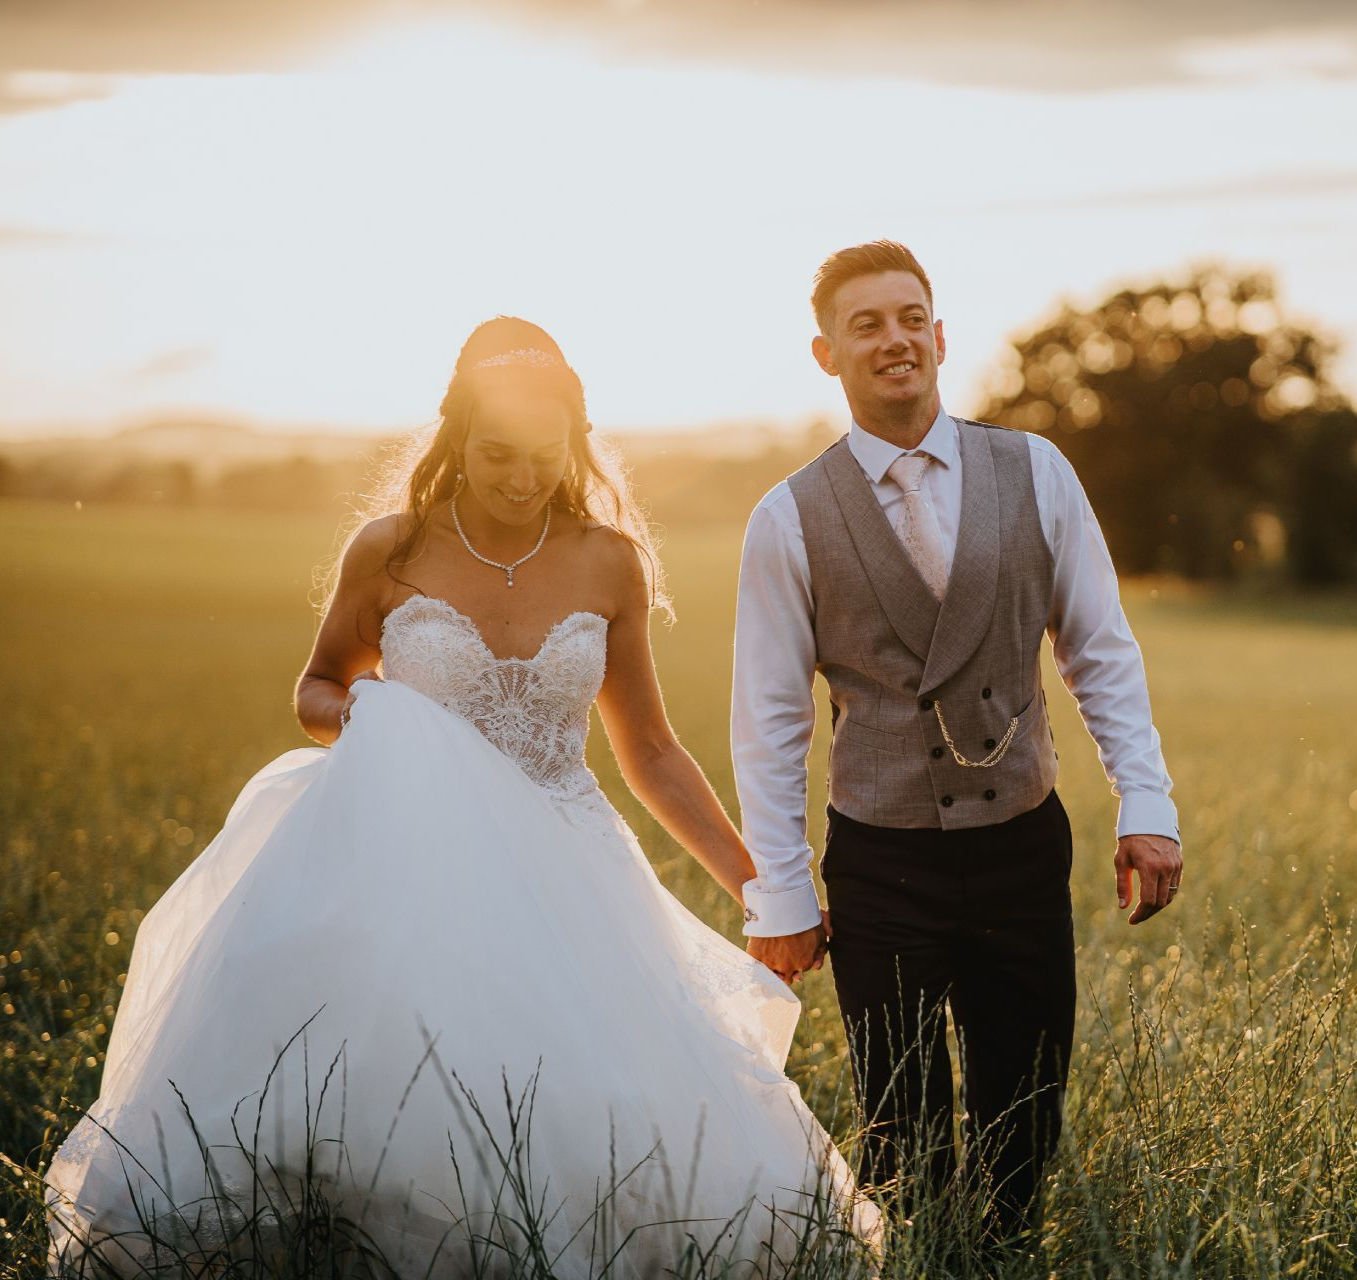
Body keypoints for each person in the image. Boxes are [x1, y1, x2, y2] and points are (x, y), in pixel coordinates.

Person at [45, 317, 878, 1277]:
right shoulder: (389, 549)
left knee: (581, 1109)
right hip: (404, 862)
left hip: (562, 870)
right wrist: (371, 715)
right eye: (495, 455)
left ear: (575, 445)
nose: (521, 477)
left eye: (542, 454)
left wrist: (760, 884)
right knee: (380, 1092)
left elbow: (648, 749)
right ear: (455, 443)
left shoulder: (608, 561)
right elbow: (314, 686)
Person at [731, 241, 1183, 1242]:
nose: (892, 339)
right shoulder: (787, 517)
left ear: (936, 336)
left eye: (908, 317)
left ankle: (1008, 1255)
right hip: (881, 855)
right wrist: (782, 888)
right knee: (903, 1138)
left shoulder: (1038, 470)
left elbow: (1099, 648)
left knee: (1024, 1115)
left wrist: (1144, 807)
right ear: (826, 353)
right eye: (865, 324)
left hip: (1022, 838)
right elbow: (769, 721)